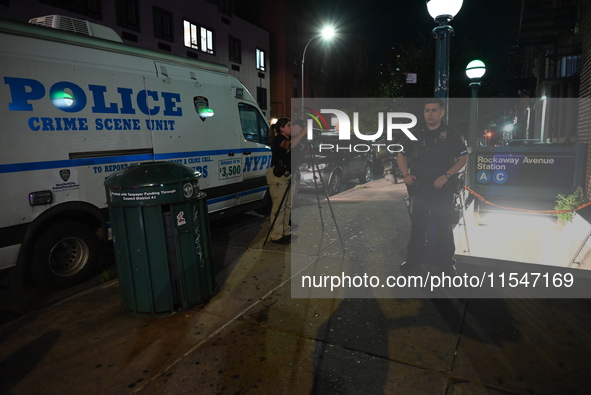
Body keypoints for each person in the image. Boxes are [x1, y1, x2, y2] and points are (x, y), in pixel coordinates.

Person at [396, 98, 468, 274]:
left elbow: (463, 158)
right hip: (420, 189)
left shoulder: (451, 134)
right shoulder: (416, 133)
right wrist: (405, 174)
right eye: (427, 110)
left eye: (434, 110)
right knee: (418, 228)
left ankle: (445, 263)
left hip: (442, 190)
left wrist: (447, 175)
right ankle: (413, 260)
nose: (430, 113)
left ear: (441, 112)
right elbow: (400, 154)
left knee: (444, 228)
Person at [266, 117, 306, 244]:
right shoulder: (279, 139)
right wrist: (302, 132)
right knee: (279, 207)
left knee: (288, 206)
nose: (291, 127)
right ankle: (276, 235)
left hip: (289, 175)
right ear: (281, 128)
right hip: (279, 177)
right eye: (289, 125)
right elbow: (289, 146)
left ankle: (285, 232)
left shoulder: (291, 140)